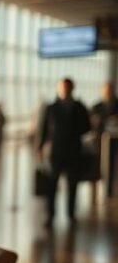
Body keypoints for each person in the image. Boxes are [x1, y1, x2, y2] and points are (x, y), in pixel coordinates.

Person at [37, 77, 91, 228]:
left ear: (72, 88)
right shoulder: (51, 107)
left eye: (67, 87)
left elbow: (87, 127)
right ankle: (50, 215)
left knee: (72, 184)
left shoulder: (79, 107)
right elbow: (43, 129)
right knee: (52, 184)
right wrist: (39, 147)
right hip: (56, 151)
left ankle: (71, 214)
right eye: (62, 87)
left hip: (74, 151)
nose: (65, 90)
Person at [90, 82, 118, 196]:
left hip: (115, 140)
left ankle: (110, 189)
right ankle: (102, 189)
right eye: (105, 90)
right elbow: (91, 123)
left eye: (110, 90)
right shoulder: (96, 106)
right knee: (100, 165)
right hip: (101, 141)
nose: (107, 92)